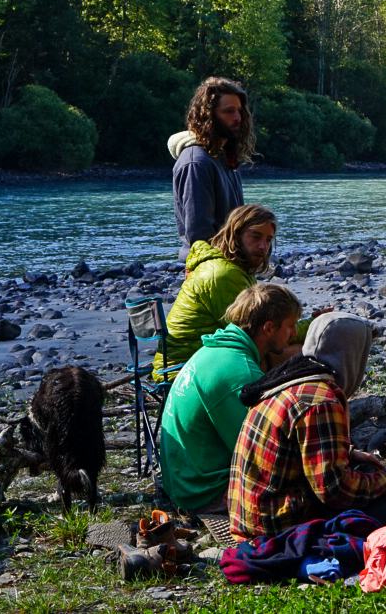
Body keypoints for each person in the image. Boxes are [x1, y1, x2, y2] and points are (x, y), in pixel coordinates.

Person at [228, 313, 386, 541]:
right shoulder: (322, 401)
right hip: (274, 528)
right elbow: (334, 491)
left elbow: (294, 447)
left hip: (251, 512)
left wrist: (347, 454)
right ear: (351, 355)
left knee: (369, 475)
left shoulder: (289, 378)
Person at [158, 284, 304, 515]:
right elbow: (263, 455)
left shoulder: (217, 349)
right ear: (268, 328)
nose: (294, 333)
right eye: (290, 326)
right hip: (203, 492)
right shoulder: (240, 373)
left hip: (182, 481)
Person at [158, 204, 277, 380]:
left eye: (268, 240)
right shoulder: (222, 275)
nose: (263, 246)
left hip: (198, 358)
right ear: (235, 235)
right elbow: (255, 333)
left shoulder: (233, 268)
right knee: (291, 352)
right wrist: (315, 326)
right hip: (184, 370)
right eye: (256, 236)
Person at [169, 77, 254, 259]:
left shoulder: (225, 158)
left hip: (230, 263)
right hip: (210, 267)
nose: (238, 118)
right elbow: (200, 235)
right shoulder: (197, 163)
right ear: (208, 116)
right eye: (229, 111)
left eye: (239, 111)